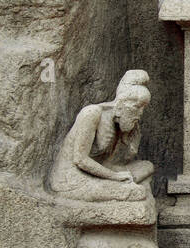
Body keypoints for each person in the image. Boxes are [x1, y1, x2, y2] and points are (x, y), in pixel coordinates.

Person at [49, 71, 154, 203]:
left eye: (143, 108)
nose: (140, 113)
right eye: (137, 107)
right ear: (122, 104)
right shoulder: (92, 113)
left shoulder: (120, 124)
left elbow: (114, 162)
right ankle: (120, 185)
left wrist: (132, 143)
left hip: (100, 171)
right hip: (73, 178)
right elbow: (80, 159)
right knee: (136, 192)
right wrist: (114, 177)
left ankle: (121, 183)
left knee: (148, 166)